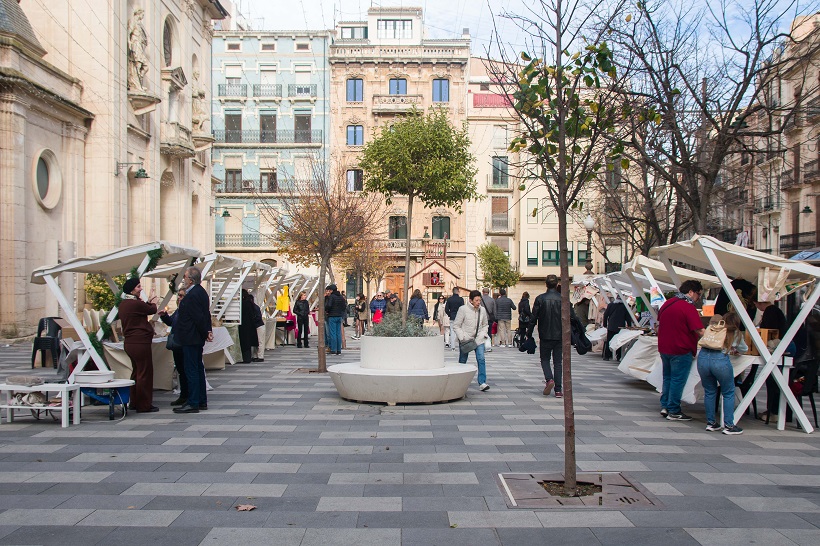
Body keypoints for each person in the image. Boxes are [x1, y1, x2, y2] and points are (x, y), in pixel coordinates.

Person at [657, 279, 705, 421]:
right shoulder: (687, 307)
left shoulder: (667, 303)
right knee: (678, 380)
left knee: (668, 378)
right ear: (690, 292)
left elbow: (658, 324)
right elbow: (699, 329)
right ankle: (674, 410)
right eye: (698, 294)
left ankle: (665, 405)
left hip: (665, 347)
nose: (698, 298)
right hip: (681, 348)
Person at [173, 267, 213, 414]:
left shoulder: (193, 294)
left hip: (191, 337)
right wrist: (207, 331)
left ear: (190, 279)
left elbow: (199, 317)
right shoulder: (200, 292)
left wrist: (205, 331)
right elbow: (205, 315)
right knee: (197, 369)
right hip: (195, 336)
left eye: (185, 277)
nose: (183, 279)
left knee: (192, 370)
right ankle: (201, 400)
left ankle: (193, 402)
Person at [697, 312, 744, 435]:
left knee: (709, 391)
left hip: (702, 358)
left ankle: (711, 423)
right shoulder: (735, 333)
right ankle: (729, 425)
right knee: (728, 392)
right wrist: (734, 349)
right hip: (720, 361)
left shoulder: (714, 328)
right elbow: (744, 349)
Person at [118, 277, 159, 413]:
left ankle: (134, 401)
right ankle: (144, 404)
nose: (140, 289)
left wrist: (148, 302)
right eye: (138, 287)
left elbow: (143, 308)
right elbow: (152, 309)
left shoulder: (124, 304)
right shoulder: (134, 304)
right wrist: (153, 301)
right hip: (140, 342)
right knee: (144, 373)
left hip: (130, 342)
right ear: (131, 290)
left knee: (136, 372)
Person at [755, 298, 788, 421]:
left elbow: (766, 330)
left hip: (778, 349)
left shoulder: (770, 311)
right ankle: (773, 411)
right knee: (773, 379)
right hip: (782, 348)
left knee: (772, 380)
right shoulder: (776, 310)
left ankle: (774, 411)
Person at [532, 275, 564, 397]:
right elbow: (572, 317)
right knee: (558, 362)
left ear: (546, 284)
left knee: (545, 359)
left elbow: (533, 318)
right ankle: (558, 390)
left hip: (545, 334)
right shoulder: (563, 299)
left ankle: (549, 379)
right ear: (557, 284)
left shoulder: (540, 299)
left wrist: (529, 334)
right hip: (559, 335)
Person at [453, 290, 490, 391]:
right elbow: (456, 325)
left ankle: (482, 382)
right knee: (462, 361)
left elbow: (485, 324)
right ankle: (460, 382)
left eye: (480, 300)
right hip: (466, 340)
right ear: (471, 300)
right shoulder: (463, 309)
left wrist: (483, 334)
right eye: (476, 300)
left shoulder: (482, 310)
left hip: (479, 339)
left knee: (481, 359)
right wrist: (462, 337)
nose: (478, 302)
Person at [158, 287, 188, 406]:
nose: (179, 298)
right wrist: (164, 316)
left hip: (184, 343)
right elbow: (172, 322)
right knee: (181, 370)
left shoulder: (187, 310)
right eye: (178, 296)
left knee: (186, 370)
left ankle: (188, 395)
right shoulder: (179, 310)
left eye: (182, 296)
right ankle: (184, 395)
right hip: (177, 344)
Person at [602, 297, 631, 361]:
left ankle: (607, 356)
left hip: (611, 325)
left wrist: (605, 324)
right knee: (619, 342)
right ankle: (618, 356)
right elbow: (628, 317)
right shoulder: (625, 306)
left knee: (609, 341)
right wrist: (629, 326)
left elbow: (606, 314)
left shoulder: (610, 305)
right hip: (620, 326)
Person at [324, 284, 347, 355]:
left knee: (332, 333)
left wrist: (327, 310)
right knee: (338, 333)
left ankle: (333, 349)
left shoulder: (331, 297)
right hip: (339, 316)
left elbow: (328, 305)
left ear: (331, 290)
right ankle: (338, 350)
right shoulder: (341, 297)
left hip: (332, 316)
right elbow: (344, 306)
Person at [238, 290, 259, 364]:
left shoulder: (242, 304)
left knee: (244, 342)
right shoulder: (250, 303)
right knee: (248, 342)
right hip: (250, 325)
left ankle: (246, 358)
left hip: (244, 325)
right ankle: (248, 358)